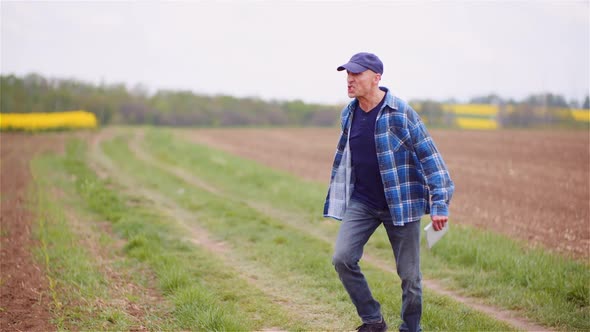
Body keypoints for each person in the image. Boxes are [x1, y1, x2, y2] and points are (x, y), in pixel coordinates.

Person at [323, 52, 454, 332]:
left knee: (410, 277)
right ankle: (372, 319)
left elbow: (432, 161)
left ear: (376, 77)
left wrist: (440, 204)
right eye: (347, 74)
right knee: (342, 258)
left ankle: (410, 328)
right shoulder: (349, 113)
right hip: (363, 201)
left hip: (401, 205)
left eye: (356, 74)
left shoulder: (401, 113)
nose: (349, 79)